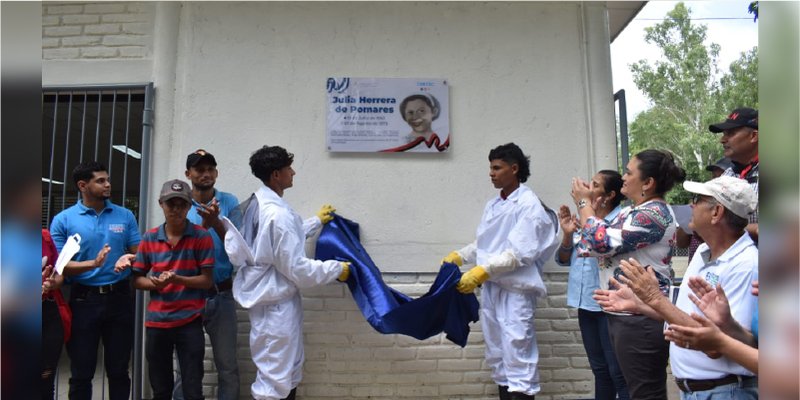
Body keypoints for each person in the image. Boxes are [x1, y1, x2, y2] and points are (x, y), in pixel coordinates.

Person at [594, 176, 759, 398]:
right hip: (697, 390)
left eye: (698, 199)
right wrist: (641, 304)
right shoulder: (703, 252)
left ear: (717, 212)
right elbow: (686, 315)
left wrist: (655, 298)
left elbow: (717, 345)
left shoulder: (747, 265)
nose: (691, 205)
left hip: (724, 391)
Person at [228, 145, 349, 400]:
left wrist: (315, 222)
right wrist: (337, 269)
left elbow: (272, 244)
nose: (293, 173)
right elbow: (297, 268)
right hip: (275, 308)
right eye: (288, 169)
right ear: (276, 175)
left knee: (286, 373)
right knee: (274, 383)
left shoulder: (257, 204)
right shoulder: (277, 214)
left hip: (272, 303)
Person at [442, 142, 558, 399]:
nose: (491, 173)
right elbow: (485, 243)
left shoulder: (529, 205)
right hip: (493, 288)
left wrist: (481, 272)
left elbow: (520, 253)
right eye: (491, 168)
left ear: (514, 169)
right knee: (497, 353)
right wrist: (461, 256)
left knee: (518, 352)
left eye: (497, 167)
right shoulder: (494, 204)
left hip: (517, 290)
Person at [569, 149, 685, 399]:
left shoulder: (652, 215)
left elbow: (600, 243)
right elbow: (587, 247)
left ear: (648, 183)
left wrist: (583, 205)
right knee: (630, 387)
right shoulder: (629, 212)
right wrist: (595, 217)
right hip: (626, 312)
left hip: (641, 316)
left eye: (629, 172)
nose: (623, 177)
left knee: (643, 393)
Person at [49, 161, 141, 400]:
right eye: (100, 181)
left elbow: (140, 254)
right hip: (83, 300)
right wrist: (93, 264)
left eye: (107, 179)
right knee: (81, 372)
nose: (108, 184)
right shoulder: (64, 220)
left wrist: (130, 258)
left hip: (119, 298)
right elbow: (60, 267)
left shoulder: (124, 215)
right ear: (83, 185)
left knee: (119, 370)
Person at [126, 179, 215, 400]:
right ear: (161, 204)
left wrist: (178, 280)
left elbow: (206, 280)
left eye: (181, 204)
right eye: (170, 204)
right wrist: (156, 283)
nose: (176, 209)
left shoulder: (201, 237)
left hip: (190, 321)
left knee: (193, 387)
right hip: (157, 323)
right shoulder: (149, 237)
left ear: (189, 206)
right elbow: (136, 280)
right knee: (161, 388)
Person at [173, 150, 241, 400]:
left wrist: (217, 224)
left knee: (228, 367)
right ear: (188, 174)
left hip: (221, 294)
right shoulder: (178, 201)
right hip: (187, 295)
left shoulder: (229, 202)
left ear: (216, 172)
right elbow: (176, 248)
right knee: (186, 367)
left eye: (210, 169)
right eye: (199, 170)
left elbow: (237, 248)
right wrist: (205, 225)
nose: (205, 174)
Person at [555, 170, 628, 400]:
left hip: (610, 307)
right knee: (600, 370)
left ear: (609, 195)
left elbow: (603, 247)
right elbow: (564, 260)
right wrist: (567, 235)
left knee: (618, 373)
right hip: (586, 304)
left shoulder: (620, 219)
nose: (587, 187)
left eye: (594, 185)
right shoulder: (587, 221)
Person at [709, 107, 758, 241]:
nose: (723, 140)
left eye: (730, 133)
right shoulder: (728, 174)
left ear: (753, 136)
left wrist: (727, 228)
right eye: (724, 133)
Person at [676, 157, 733, 260]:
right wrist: (688, 221)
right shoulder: (700, 208)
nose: (714, 180)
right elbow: (681, 243)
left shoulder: (731, 212)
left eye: (720, 177)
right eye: (713, 176)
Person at [42, 229, 71, 400]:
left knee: (45, 376)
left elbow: (59, 275)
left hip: (47, 312)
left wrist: (52, 283)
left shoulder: (44, 237)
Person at [381, 94, 449, 152]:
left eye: (421, 111)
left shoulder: (442, 138)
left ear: (434, 112)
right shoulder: (400, 143)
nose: (415, 117)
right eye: (410, 112)